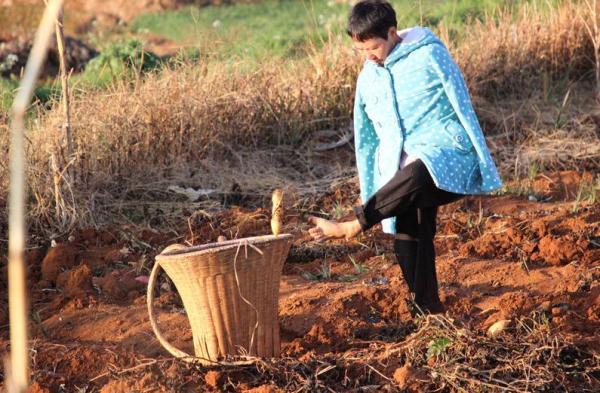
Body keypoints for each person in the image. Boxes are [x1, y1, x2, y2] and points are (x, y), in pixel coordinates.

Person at [308, 0, 502, 314]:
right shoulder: (368, 76)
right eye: (359, 51)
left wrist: (480, 157)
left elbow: (461, 102)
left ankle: (354, 223)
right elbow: (368, 138)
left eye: (372, 47)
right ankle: (428, 311)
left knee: (417, 173)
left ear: (392, 33)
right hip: (404, 171)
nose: (367, 56)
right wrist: (377, 181)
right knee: (410, 228)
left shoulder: (429, 54)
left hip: (446, 156)